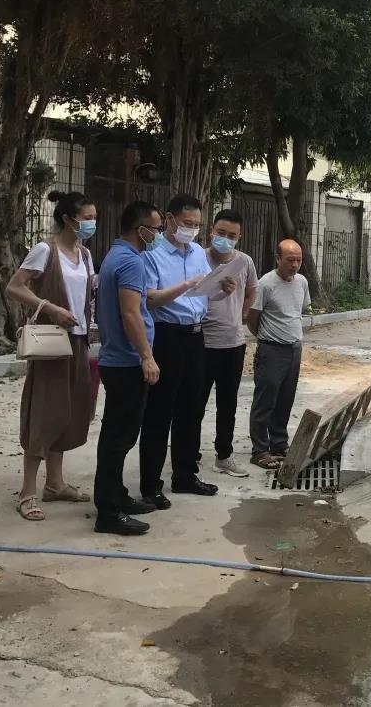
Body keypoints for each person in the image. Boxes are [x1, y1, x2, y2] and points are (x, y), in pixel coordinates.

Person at [93, 200, 196, 535]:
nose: (158, 234)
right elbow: (130, 313)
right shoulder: (131, 262)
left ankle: (117, 496)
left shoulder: (116, 255)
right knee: (117, 439)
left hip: (119, 358)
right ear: (141, 230)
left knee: (119, 436)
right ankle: (108, 512)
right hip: (126, 361)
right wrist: (147, 356)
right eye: (155, 228)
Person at [6, 191, 97, 521]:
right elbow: (15, 287)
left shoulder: (85, 254)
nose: (92, 223)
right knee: (43, 413)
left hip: (78, 341)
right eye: (87, 218)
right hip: (52, 342)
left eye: (94, 218)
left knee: (69, 411)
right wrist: (49, 307)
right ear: (68, 220)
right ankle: (28, 490)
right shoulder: (46, 250)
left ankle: (55, 484)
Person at [138, 193, 218, 509]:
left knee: (191, 409)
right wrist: (185, 286)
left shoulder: (198, 252)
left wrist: (221, 289)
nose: (192, 229)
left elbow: (204, 293)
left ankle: (185, 474)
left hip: (196, 335)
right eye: (187, 223)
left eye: (197, 224)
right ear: (169, 219)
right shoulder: (152, 254)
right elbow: (150, 299)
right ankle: (150, 485)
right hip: (166, 336)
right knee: (159, 413)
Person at [200, 209, 258, 477]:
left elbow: (252, 290)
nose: (225, 239)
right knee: (194, 403)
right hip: (201, 342)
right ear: (211, 230)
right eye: (221, 233)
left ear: (239, 237)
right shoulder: (197, 258)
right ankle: (189, 454)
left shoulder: (244, 262)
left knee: (227, 404)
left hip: (233, 343)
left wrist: (241, 315)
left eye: (232, 235)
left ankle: (223, 456)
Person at [247, 239, 311, 470]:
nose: (294, 265)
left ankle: (279, 443)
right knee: (265, 400)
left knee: (285, 398)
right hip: (271, 349)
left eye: (298, 260)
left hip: (294, 349)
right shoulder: (266, 283)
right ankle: (259, 450)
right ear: (278, 259)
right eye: (289, 260)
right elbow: (253, 318)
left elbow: (298, 310)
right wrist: (265, 337)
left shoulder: (302, 282)